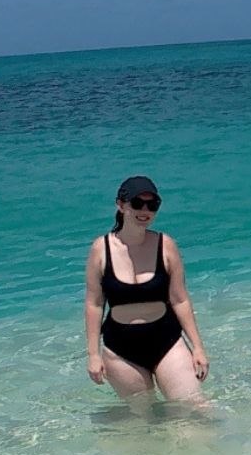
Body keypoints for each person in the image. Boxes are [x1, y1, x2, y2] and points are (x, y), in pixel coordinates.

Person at [84, 175, 210, 410]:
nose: (145, 210)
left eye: (152, 205)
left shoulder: (166, 244)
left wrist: (198, 347)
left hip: (167, 341)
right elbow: (94, 303)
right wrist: (93, 354)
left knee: (196, 410)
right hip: (120, 351)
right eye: (137, 204)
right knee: (144, 421)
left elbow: (179, 299)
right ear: (120, 206)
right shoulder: (100, 249)